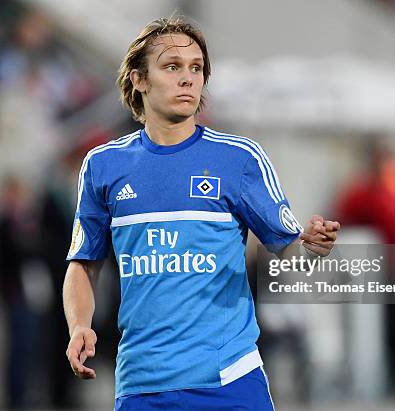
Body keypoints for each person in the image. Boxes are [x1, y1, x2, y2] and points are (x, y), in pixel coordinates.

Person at [62, 16, 340, 410]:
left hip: (230, 377)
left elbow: (288, 248)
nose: (188, 78)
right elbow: (83, 263)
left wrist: (312, 245)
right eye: (172, 66)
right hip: (143, 383)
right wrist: (78, 326)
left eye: (197, 68)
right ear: (139, 80)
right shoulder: (103, 166)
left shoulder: (239, 159)